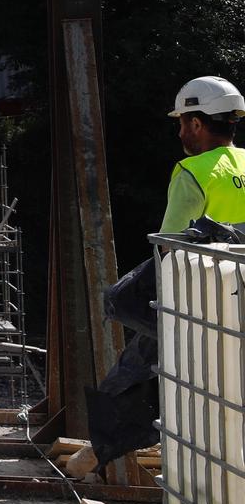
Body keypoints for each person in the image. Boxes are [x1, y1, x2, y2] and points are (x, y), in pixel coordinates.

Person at [68, 75, 245, 479]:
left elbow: (168, 246)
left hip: (199, 295)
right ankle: (93, 455)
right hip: (240, 296)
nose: (181, 130)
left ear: (197, 124)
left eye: (183, 122)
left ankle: (97, 453)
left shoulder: (193, 170)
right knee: (148, 358)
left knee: (134, 330)